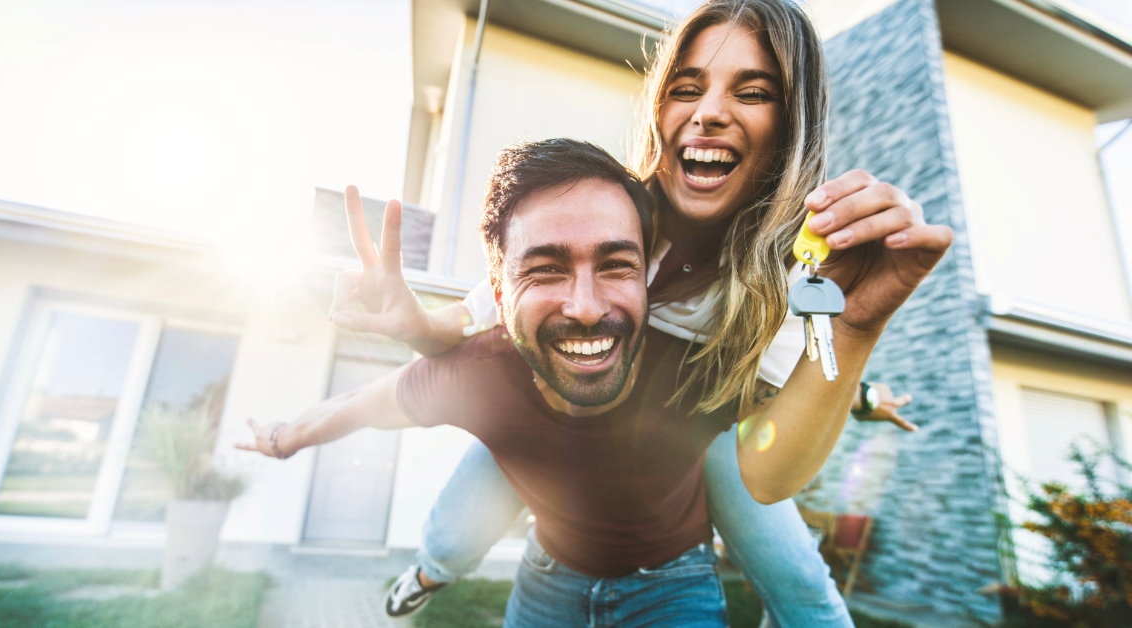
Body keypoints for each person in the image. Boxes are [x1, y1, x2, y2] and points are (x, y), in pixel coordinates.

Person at [329, 1, 949, 624]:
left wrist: (856, 354)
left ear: (791, 124)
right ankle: (426, 573)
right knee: (461, 521)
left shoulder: (793, 273)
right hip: (570, 409)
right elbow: (479, 313)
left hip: (689, 431)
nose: (708, 113)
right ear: (660, 108)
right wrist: (419, 327)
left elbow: (780, 418)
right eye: (687, 87)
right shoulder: (609, 211)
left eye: (752, 90)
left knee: (801, 579)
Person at [239, 137, 949, 626]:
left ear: (646, 268)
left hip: (670, 576)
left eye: (614, 264)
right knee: (452, 539)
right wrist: (286, 434)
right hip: (551, 554)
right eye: (547, 267)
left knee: (801, 581)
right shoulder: (487, 358)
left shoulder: (694, 358)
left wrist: (856, 375)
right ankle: (423, 576)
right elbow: (386, 385)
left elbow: (781, 384)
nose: (584, 304)